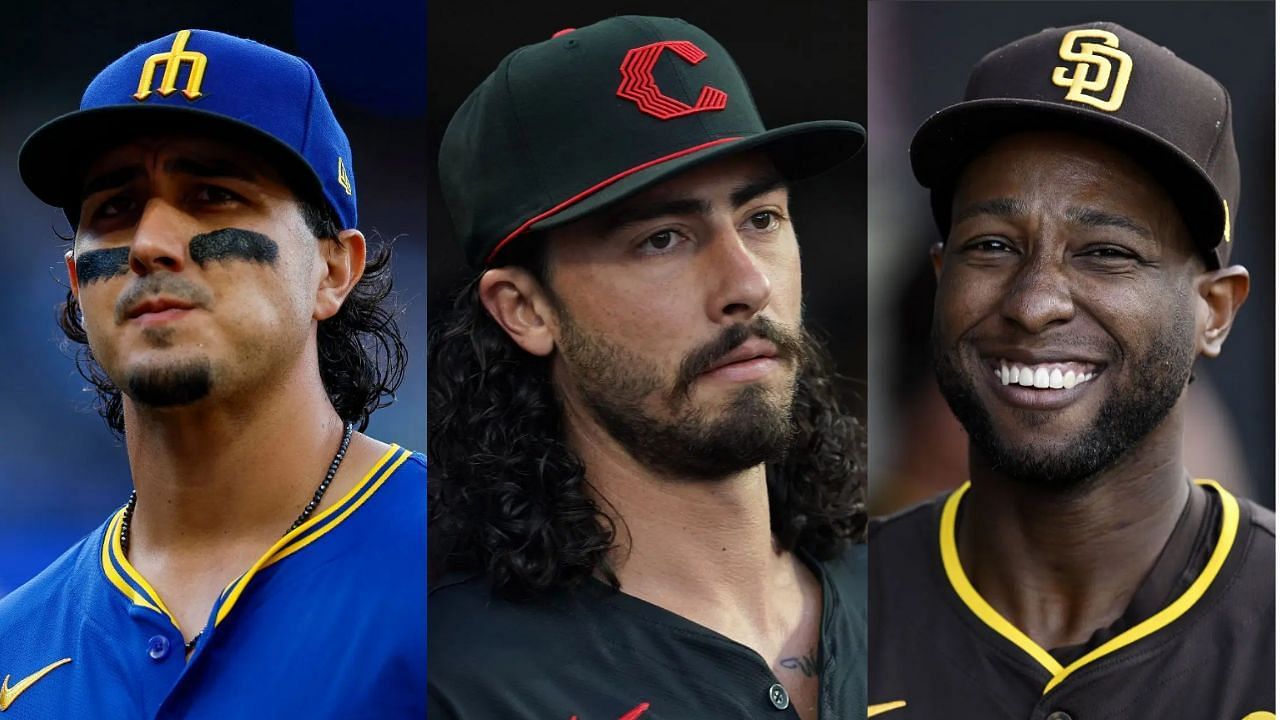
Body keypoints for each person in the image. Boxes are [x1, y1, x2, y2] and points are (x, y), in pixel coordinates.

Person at [428, 15, 867, 720]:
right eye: (663, 239)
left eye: (761, 218)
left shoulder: (919, 602)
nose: (747, 285)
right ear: (526, 310)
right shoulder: (452, 682)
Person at [0, 29, 425, 718]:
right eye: (114, 208)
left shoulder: (467, 567)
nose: (150, 245)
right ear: (78, 286)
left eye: (212, 194)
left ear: (334, 268)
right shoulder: (14, 644)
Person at [868, 22, 1273, 719]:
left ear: (1215, 311)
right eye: (993, 245)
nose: (1034, 304)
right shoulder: (824, 613)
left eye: (1106, 252)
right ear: (941, 279)